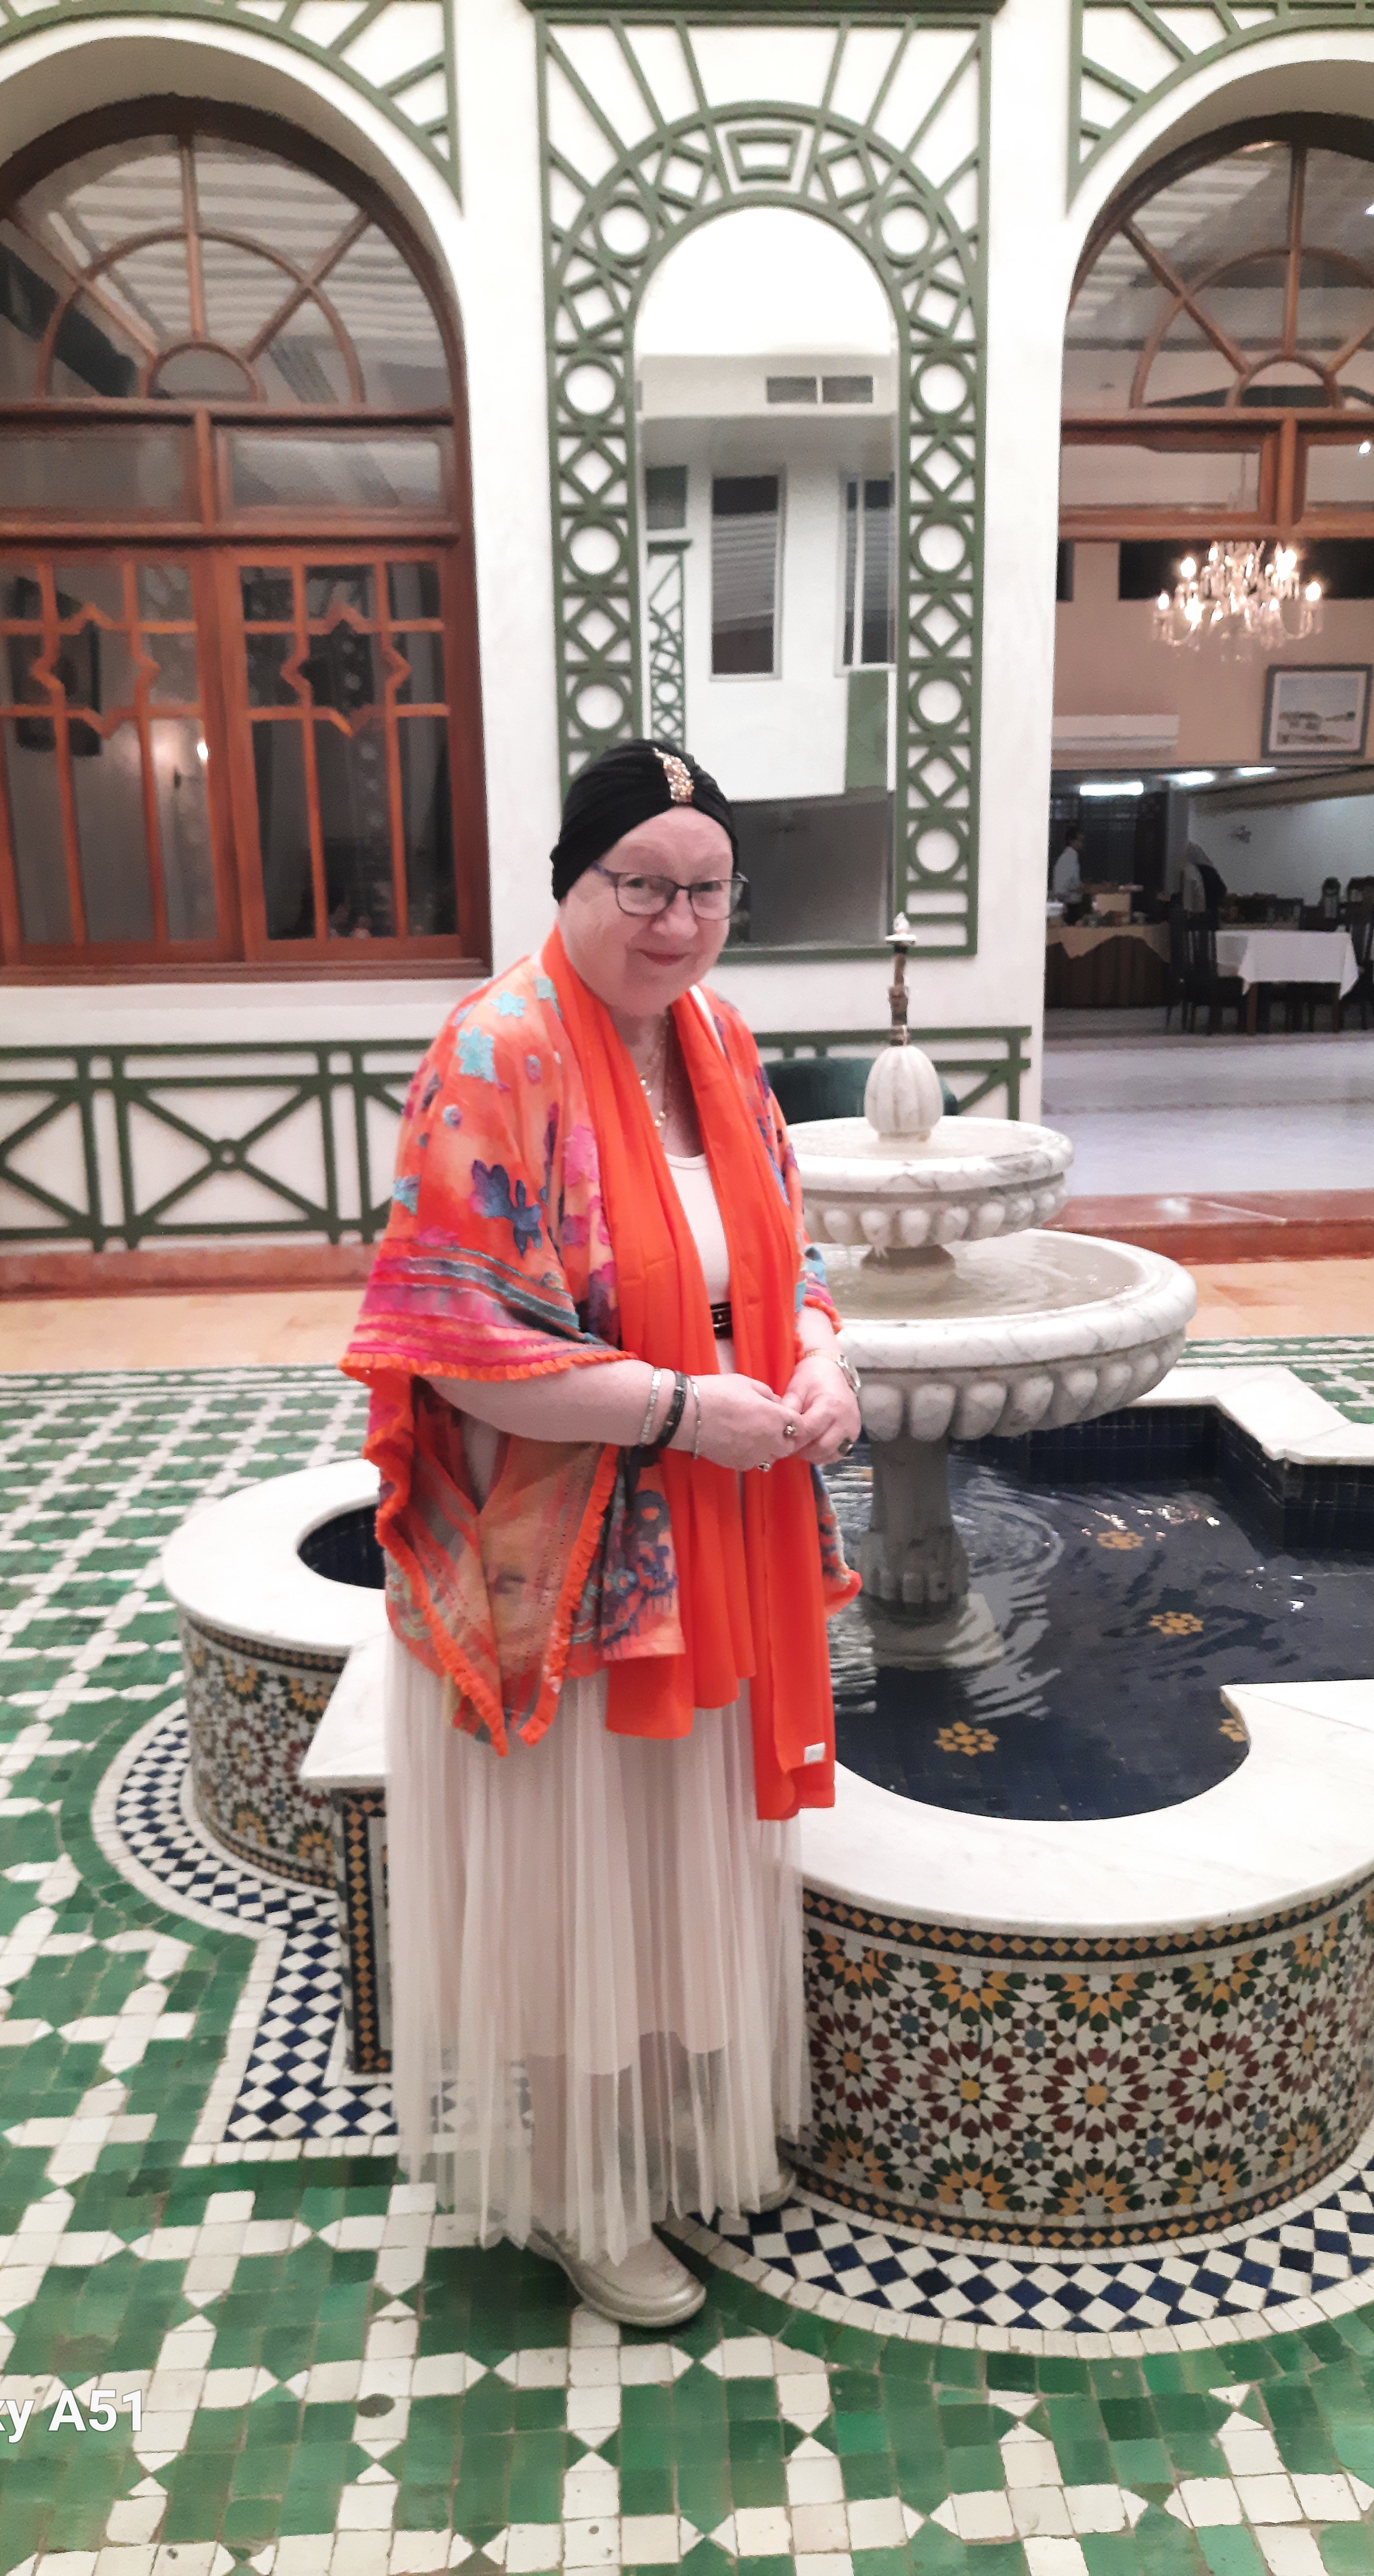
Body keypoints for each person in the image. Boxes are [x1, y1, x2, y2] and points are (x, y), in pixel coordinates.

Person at [342, 738, 862, 2332]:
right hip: (564, 1554)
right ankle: (578, 2189)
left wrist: (821, 1359)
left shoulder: (716, 1037)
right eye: (640, 884)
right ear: (572, 879)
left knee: (669, 1854)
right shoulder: (495, 1050)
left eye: (707, 889)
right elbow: (456, 1342)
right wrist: (680, 1409)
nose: (676, 920)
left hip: (711, 1526)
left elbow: (782, 1249)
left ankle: (660, 2140)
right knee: (579, 1881)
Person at [1181, 841, 1227, 916]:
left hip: (1199, 910)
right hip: (1211, 909)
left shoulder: (1192, 871)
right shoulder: (1210, 870)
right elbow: (1222, 889)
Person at [1051, 826, 1085, 902]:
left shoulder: (1069, 856)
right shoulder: (1070, 856)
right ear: (1072, 841)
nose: (1082, 844)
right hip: (1067, 900)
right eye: (1080, 841)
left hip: (1067, 899)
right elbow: (1068, 882)